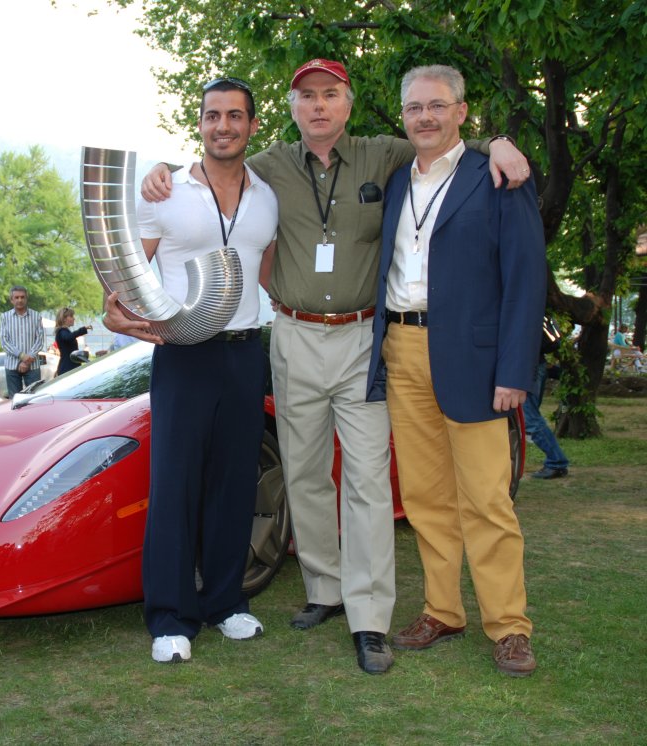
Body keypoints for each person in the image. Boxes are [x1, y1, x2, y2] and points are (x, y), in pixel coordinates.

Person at [140, 58, 529, 675]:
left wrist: (497, 141)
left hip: (363, 338)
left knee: (369, 476)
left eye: (330, 95)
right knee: (304, 471)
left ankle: (369, 613)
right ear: (291, 109)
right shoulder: (267, 166)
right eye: (307, 97)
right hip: (292, 334)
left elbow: (443, 138)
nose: (318, 106)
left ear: (349, 103)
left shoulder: (384, 155)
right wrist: (160, 169)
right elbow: (211, 160)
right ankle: (324, 589)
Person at [366, 65, 546, 677]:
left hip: (474, 359)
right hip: (402, 348)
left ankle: (509, 626)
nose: (425, 117)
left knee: (488, 498)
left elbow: (525, 281)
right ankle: (442, 610)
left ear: (462, 112)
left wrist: (514, 368)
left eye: (437, 106)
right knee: (424, 496)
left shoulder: (498, 176)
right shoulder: (393, 183)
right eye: (414, 107)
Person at [109, 77, 278, 664]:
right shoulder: (165, 191)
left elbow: (267, 267)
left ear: (252, 125)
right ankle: (171, 617)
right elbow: (130, 270)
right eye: (213, 116)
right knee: (176, 483)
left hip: (243, 351)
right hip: (183, 353)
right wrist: (116, 311)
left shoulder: (267, 195)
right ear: (199, 124)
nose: (223, 126)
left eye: (235, 116)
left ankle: (226, 603)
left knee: (235, 480)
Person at [525, 317, 570, 479]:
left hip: (527, 367)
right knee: (529, 418)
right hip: (535, 365)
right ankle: (556, 461)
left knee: (530, 419)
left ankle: (556, 461)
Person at [0, 285, 43, 397]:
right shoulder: (5, 317)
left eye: (22, 297)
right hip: (11, 365)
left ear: (26, 298)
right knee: (15, 400)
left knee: (34, 398)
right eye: (16, 297)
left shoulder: (36, 316)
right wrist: (22, 356)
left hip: (33, 365)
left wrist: (27, 360)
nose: (20, 300)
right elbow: (4, 341)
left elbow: (40, 341)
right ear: (11, 300)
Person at [54, 307, 92, 376]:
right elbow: (68, 337)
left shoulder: (64, 331)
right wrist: (82, 329)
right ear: (64, 319)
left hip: (69, 367)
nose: (74, 318)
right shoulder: (62, 331)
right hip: (67, 369)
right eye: (71, 316)